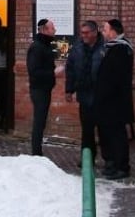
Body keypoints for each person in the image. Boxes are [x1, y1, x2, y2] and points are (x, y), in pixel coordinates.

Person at [94, 18, 134, 179]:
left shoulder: (121, 49)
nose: (103, 33)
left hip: (116, 101)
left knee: (117, 134)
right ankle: (111, 163)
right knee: (107, 133)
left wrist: (104, 93)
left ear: (113, 31)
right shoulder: (110, 48)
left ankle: (122, 166)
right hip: (106, 101)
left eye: (105, 29)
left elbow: (115, 77)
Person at [64, 20, 106, 164]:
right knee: (87, 131)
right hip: (84, 94)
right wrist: (69, 89)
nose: (84, 36)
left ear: (95, 32)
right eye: (82, 33)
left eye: (87, 33)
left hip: (101, 96)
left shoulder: (105, 47)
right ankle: (87, 159)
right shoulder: (78, 48)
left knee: (104, 130)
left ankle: (109, 160)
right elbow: (70, 69)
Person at [26, 17, 57, 155]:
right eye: (52, 28)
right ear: (44, 30)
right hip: (38, 89)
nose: (55, 30)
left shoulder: (45, 45)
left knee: (42, 120)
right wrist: (53, 72)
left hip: (45, 88)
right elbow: (34, 71)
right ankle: (36, 153)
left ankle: (37, 151)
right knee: (39, 120)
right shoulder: (37, 47)